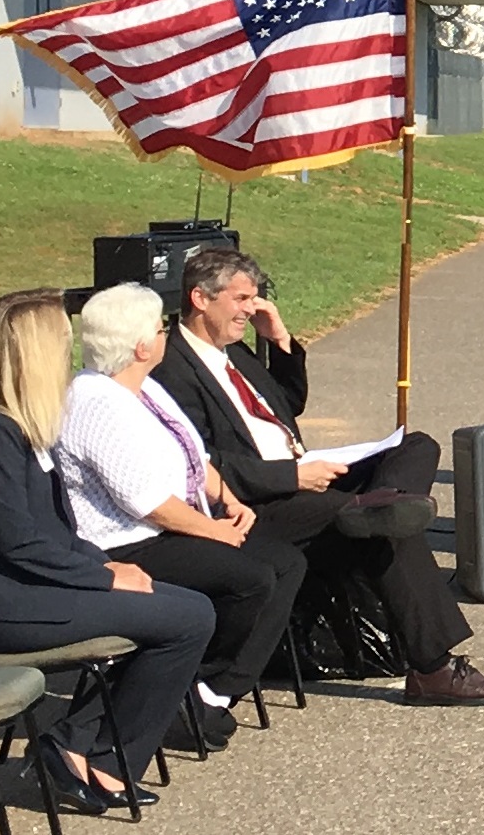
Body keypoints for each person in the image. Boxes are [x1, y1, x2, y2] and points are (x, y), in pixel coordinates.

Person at [151, 248, 484, 706]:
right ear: (201, 298)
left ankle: (385, 502)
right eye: (241, 299)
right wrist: (291, 476)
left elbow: (287, 404)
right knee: (386, 532)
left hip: (302, 474)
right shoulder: (173, 367)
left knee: (415, 445)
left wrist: (279, 340)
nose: (250, 309)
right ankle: (433, 667)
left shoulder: (233, 353)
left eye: (254, 299)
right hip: (258, 502)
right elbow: (201, 460)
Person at [0, 289, 214, 815]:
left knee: (182, 606)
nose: (69, 358)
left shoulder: (18, 426)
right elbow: (20, 542)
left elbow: (55, 533)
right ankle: (101, 759)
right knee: (188, 616)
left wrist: (105, 564)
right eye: (61, 346)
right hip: (3, 608)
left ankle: (74, 748)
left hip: (32, 590)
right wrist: (104, 579)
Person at [55, 283, 306, 749]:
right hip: (127, 543)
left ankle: (214, 688)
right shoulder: (95, 403)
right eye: (159, 327)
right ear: (141, 346)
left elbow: (192, 453)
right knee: (249, 579)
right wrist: (214, 532)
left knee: (287, 562)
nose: (166, 334)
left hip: (177, 525)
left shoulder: (146, 387)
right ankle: (184, 685)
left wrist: (229, 500)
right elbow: (146, 502)